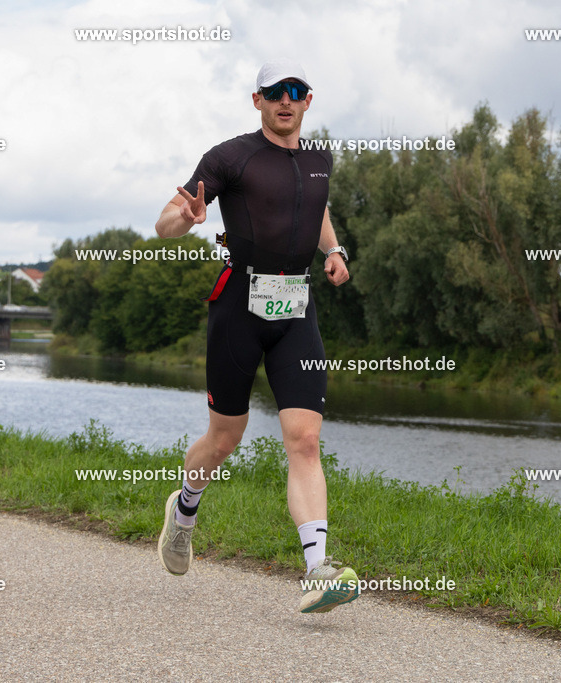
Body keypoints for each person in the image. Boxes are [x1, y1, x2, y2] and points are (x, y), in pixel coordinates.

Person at [154, 59, 357, 613]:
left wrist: (333, 249)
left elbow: (314, 208)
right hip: (238, 310)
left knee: (305, 439)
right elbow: (164, 223)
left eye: (295, 91)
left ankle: (318, 571)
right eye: (274, 92)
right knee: (224, 439)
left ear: (308, 100)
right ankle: (184, 510)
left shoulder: (319, 160)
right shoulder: (229, 157)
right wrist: (188, 217)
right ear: (257, 100)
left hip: (296, 309)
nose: (285, 100)